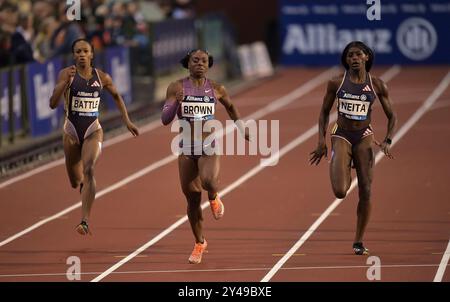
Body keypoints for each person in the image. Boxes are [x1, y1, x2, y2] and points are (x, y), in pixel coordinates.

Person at [161, 49, 250, 264]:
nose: (200, 63)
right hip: (186, 148)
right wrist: (175, 103)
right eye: (195, 60)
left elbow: (231, 107)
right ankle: (200, 242)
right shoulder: (176, 87)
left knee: (209, 181)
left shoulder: (217, 89)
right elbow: (165, 119)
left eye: (204, 61)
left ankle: (213, 195)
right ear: (188, 63)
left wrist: (241, 127)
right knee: (191, 200)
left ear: (209, 65)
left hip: (209, 145)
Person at [309, 41, 397, 255]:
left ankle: (358, 241)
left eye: (358, 54)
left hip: (364, 135)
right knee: (340, 192)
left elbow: (392, 116)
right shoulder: (336, 83)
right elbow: (323, 113)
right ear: (346, 60)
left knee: (366, 190)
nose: (354, 58)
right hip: (341, 134)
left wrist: (387, 140)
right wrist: (321, 141)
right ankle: (343, 159)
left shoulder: (377, 85)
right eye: (350, 56)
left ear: (367, 57)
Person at [49, 38, 139, 235]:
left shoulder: (102, 77)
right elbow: (53, 103)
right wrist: (64, 83)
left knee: (89, 168)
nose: (82, 54)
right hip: (71, 132)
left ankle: (84, 221)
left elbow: (117, 96)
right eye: (78, 51)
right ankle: (81, 184)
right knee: (75, 181)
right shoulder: (66, 74)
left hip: (93, 130)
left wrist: (127, 121)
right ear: (74, 55)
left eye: (85, 51)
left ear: (92, 54)